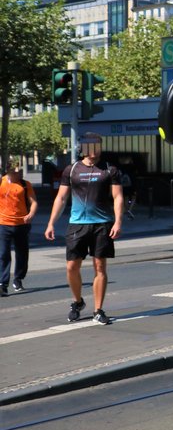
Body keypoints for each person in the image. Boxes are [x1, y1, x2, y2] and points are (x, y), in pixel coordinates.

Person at [44, 136, 124, 324]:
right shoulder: (71, 170)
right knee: (72, 267)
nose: (95, 150)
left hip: (102, 224)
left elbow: (118, 197)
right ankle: (77, 302)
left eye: (98, 146)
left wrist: (118, 221)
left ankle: (98, 310)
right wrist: (51, 223)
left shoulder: (110, 169)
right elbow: (61, 198)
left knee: (100, 267)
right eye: (91, 146)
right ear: (83, 148)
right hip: (77, 224)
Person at [0, 159, 38, 296]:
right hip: (3, 224)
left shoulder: (25, 185)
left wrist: (31, 214)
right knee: (3, 254)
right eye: (15, 171)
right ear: (8, 171)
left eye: (19, 171)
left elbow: (33, 202)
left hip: (22, 224)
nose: (18, 174)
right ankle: (3, 284)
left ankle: (18, 278)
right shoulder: (1, 182)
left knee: (22, 254)